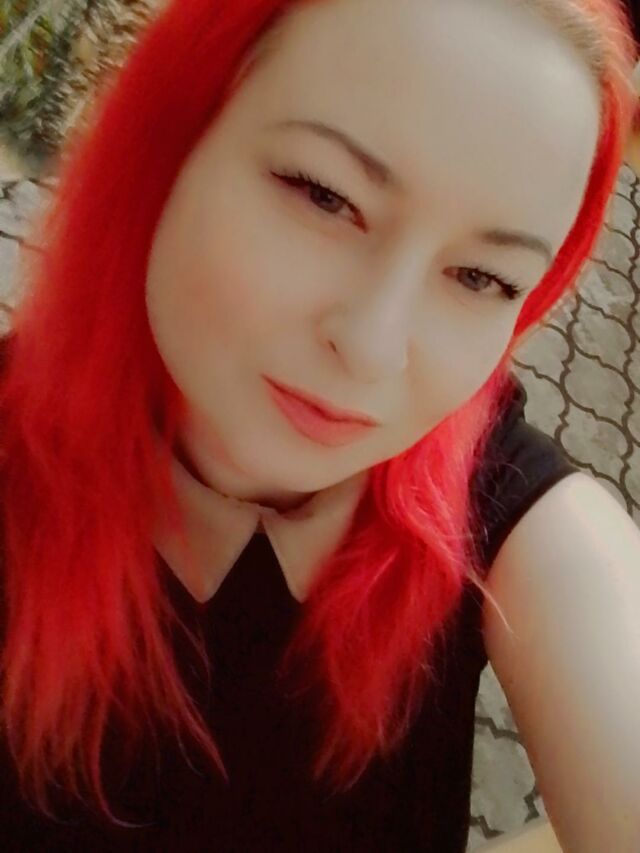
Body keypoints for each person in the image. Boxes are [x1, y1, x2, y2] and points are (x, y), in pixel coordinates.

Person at [0, 0, 638, 850]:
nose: (372, 348)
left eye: (482, 277)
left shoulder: (508, 519)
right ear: (174, 138)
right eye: (324, 195)